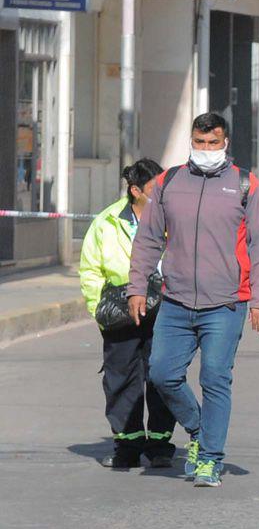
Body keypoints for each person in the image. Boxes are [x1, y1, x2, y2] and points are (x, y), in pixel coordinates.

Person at [125, 112, 259, 487]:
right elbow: (147, 239)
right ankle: (198, 430)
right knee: (162, 373)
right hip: (175, 301)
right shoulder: (168, 182)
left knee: (215, 379)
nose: (206, 149)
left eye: (213, 143)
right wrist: (137, 287)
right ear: (191, 141)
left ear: (225, 144)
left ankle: (209, 458)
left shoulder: (245, 185)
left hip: (225, 303)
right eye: (199, 142)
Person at [80, 159, 176, 470]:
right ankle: (128, 444)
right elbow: (90, 269)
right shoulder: (107, 221)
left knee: (162, 377)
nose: (160, 193)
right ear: (135, 191)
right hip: (120, 311)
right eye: (153, 189)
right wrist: (99, 310)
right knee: (120, 379)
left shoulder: (173, 218)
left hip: (163, 308)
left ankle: (160, 444)